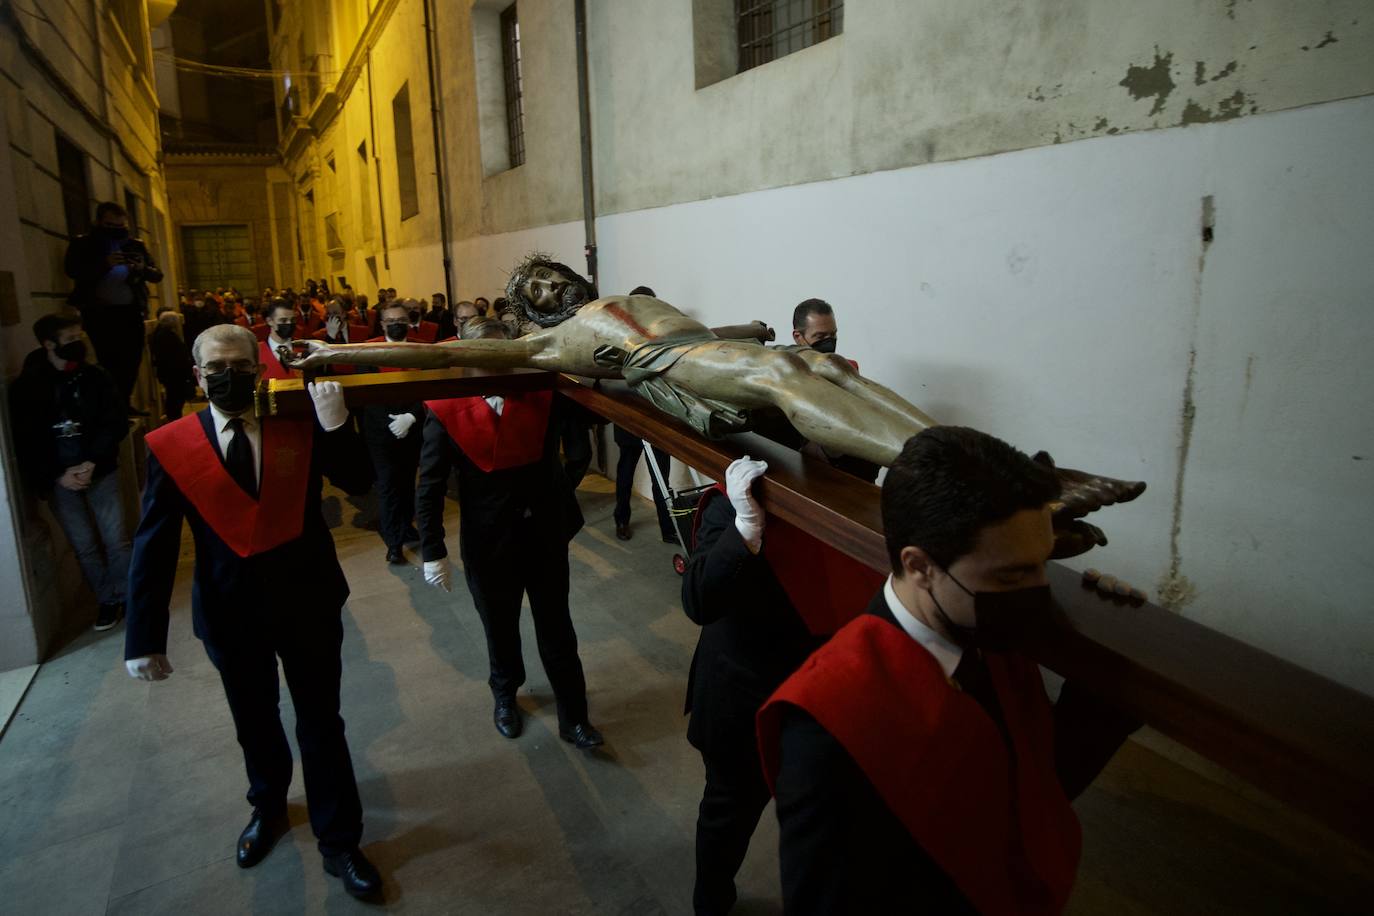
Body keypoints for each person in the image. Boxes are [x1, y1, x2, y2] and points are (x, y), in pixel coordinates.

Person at [289, 256, 1144, 553]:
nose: (549, 283)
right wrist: (335, 349)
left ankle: (996, 469)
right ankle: (991, 483)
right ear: (533, 308)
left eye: (552, 273)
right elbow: (433, 352)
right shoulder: (547, 345)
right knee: (784, 379)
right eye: (535, 285)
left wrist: (750, 327)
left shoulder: (628, 293)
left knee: (829, 374)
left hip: (719, 347)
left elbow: (710, 326)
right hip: (694, 374)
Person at [755, 426, 1142, 914]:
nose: (1039, 592)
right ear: (919, 566)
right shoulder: (827, 724)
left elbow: (1034, 785)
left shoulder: (988, 631)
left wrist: (1109, 665)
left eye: (1042, 564)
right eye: (1012, 574)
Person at [123, 324, 381, 898]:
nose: (230, 376)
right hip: (228, 610)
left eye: (241, 366)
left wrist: (337, 426)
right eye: (217, 368)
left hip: (307, 600)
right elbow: (155, 541)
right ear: (197, 376)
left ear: (259, 369)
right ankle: (268, 808)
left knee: (322, 722)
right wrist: (143, 635)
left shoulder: (297, 422)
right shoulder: (174, 445)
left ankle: (340, 840)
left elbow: (361, 481)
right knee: (255, 722)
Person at [416, 317, 603, 749]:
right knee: (499, 628)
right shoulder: (445, 409)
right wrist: (432, 548)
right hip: (488, 542)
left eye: (506, 356)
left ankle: (574, 716)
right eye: (487, 358)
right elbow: (429, 483)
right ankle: (505, 696)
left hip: (543, 535)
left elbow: (594, 403)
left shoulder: (543, 394)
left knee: (557, 628)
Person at [9, 314, 131, 630]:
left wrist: (92, 461)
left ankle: (128, 595)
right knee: (84, 545)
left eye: (81, 335)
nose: (79, 343)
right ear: (49, 344)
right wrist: (57, 474)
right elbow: (27, 440)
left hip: (99, 470)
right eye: (70, 338)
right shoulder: (28, 387)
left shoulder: (96, 377)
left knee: (116, 539)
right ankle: (107, 599)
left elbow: (114, 420)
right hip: (60, 479)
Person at [63, 202, 164, 414]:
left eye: (121, 225)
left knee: (131, 359)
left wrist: (141, 268)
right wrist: (105, 264)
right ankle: (111, 405)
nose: (117, 229)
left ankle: (124, 402)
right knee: (108, 359)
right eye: (110, 224)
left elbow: (156, 274)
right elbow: (73, 271)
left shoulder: (134, 245)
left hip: (129, 310)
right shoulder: (84, 244)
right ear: (99, 222)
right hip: (99, 312)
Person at [612, 286, 676, 542]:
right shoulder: (620, 334)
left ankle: (668, 528)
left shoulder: (662, 333)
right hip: (629, 415)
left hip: (657, 416)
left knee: (661, 478)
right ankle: (621, 519)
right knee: (626, 473)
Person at [362, 304, 425, 563]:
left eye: (401, 320)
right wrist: (391, 423)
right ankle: (394, 543)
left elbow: (429, 387)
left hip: (412, 427)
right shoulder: (368, 351)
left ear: (408, 322)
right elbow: (367, 394)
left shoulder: (423, 351)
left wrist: (411, 417)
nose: (396, 324)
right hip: (381, 432)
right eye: (391, 321)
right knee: (388, 486)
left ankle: (406, 525)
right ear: (382, 324)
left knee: (408, 481)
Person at [150, 309, 193, 423]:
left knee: (174, 397)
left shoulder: (163, 333)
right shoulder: (166, 335)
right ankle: (175, 419)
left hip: (171, 372)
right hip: (173, 373)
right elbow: (174, 356)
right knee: (175, 397)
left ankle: (175, 417)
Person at [260, 299, 300, 380]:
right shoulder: (256, 351)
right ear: (269, 321)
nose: (289, 324)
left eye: (292, 320)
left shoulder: (305, 347)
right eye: (283, 320)